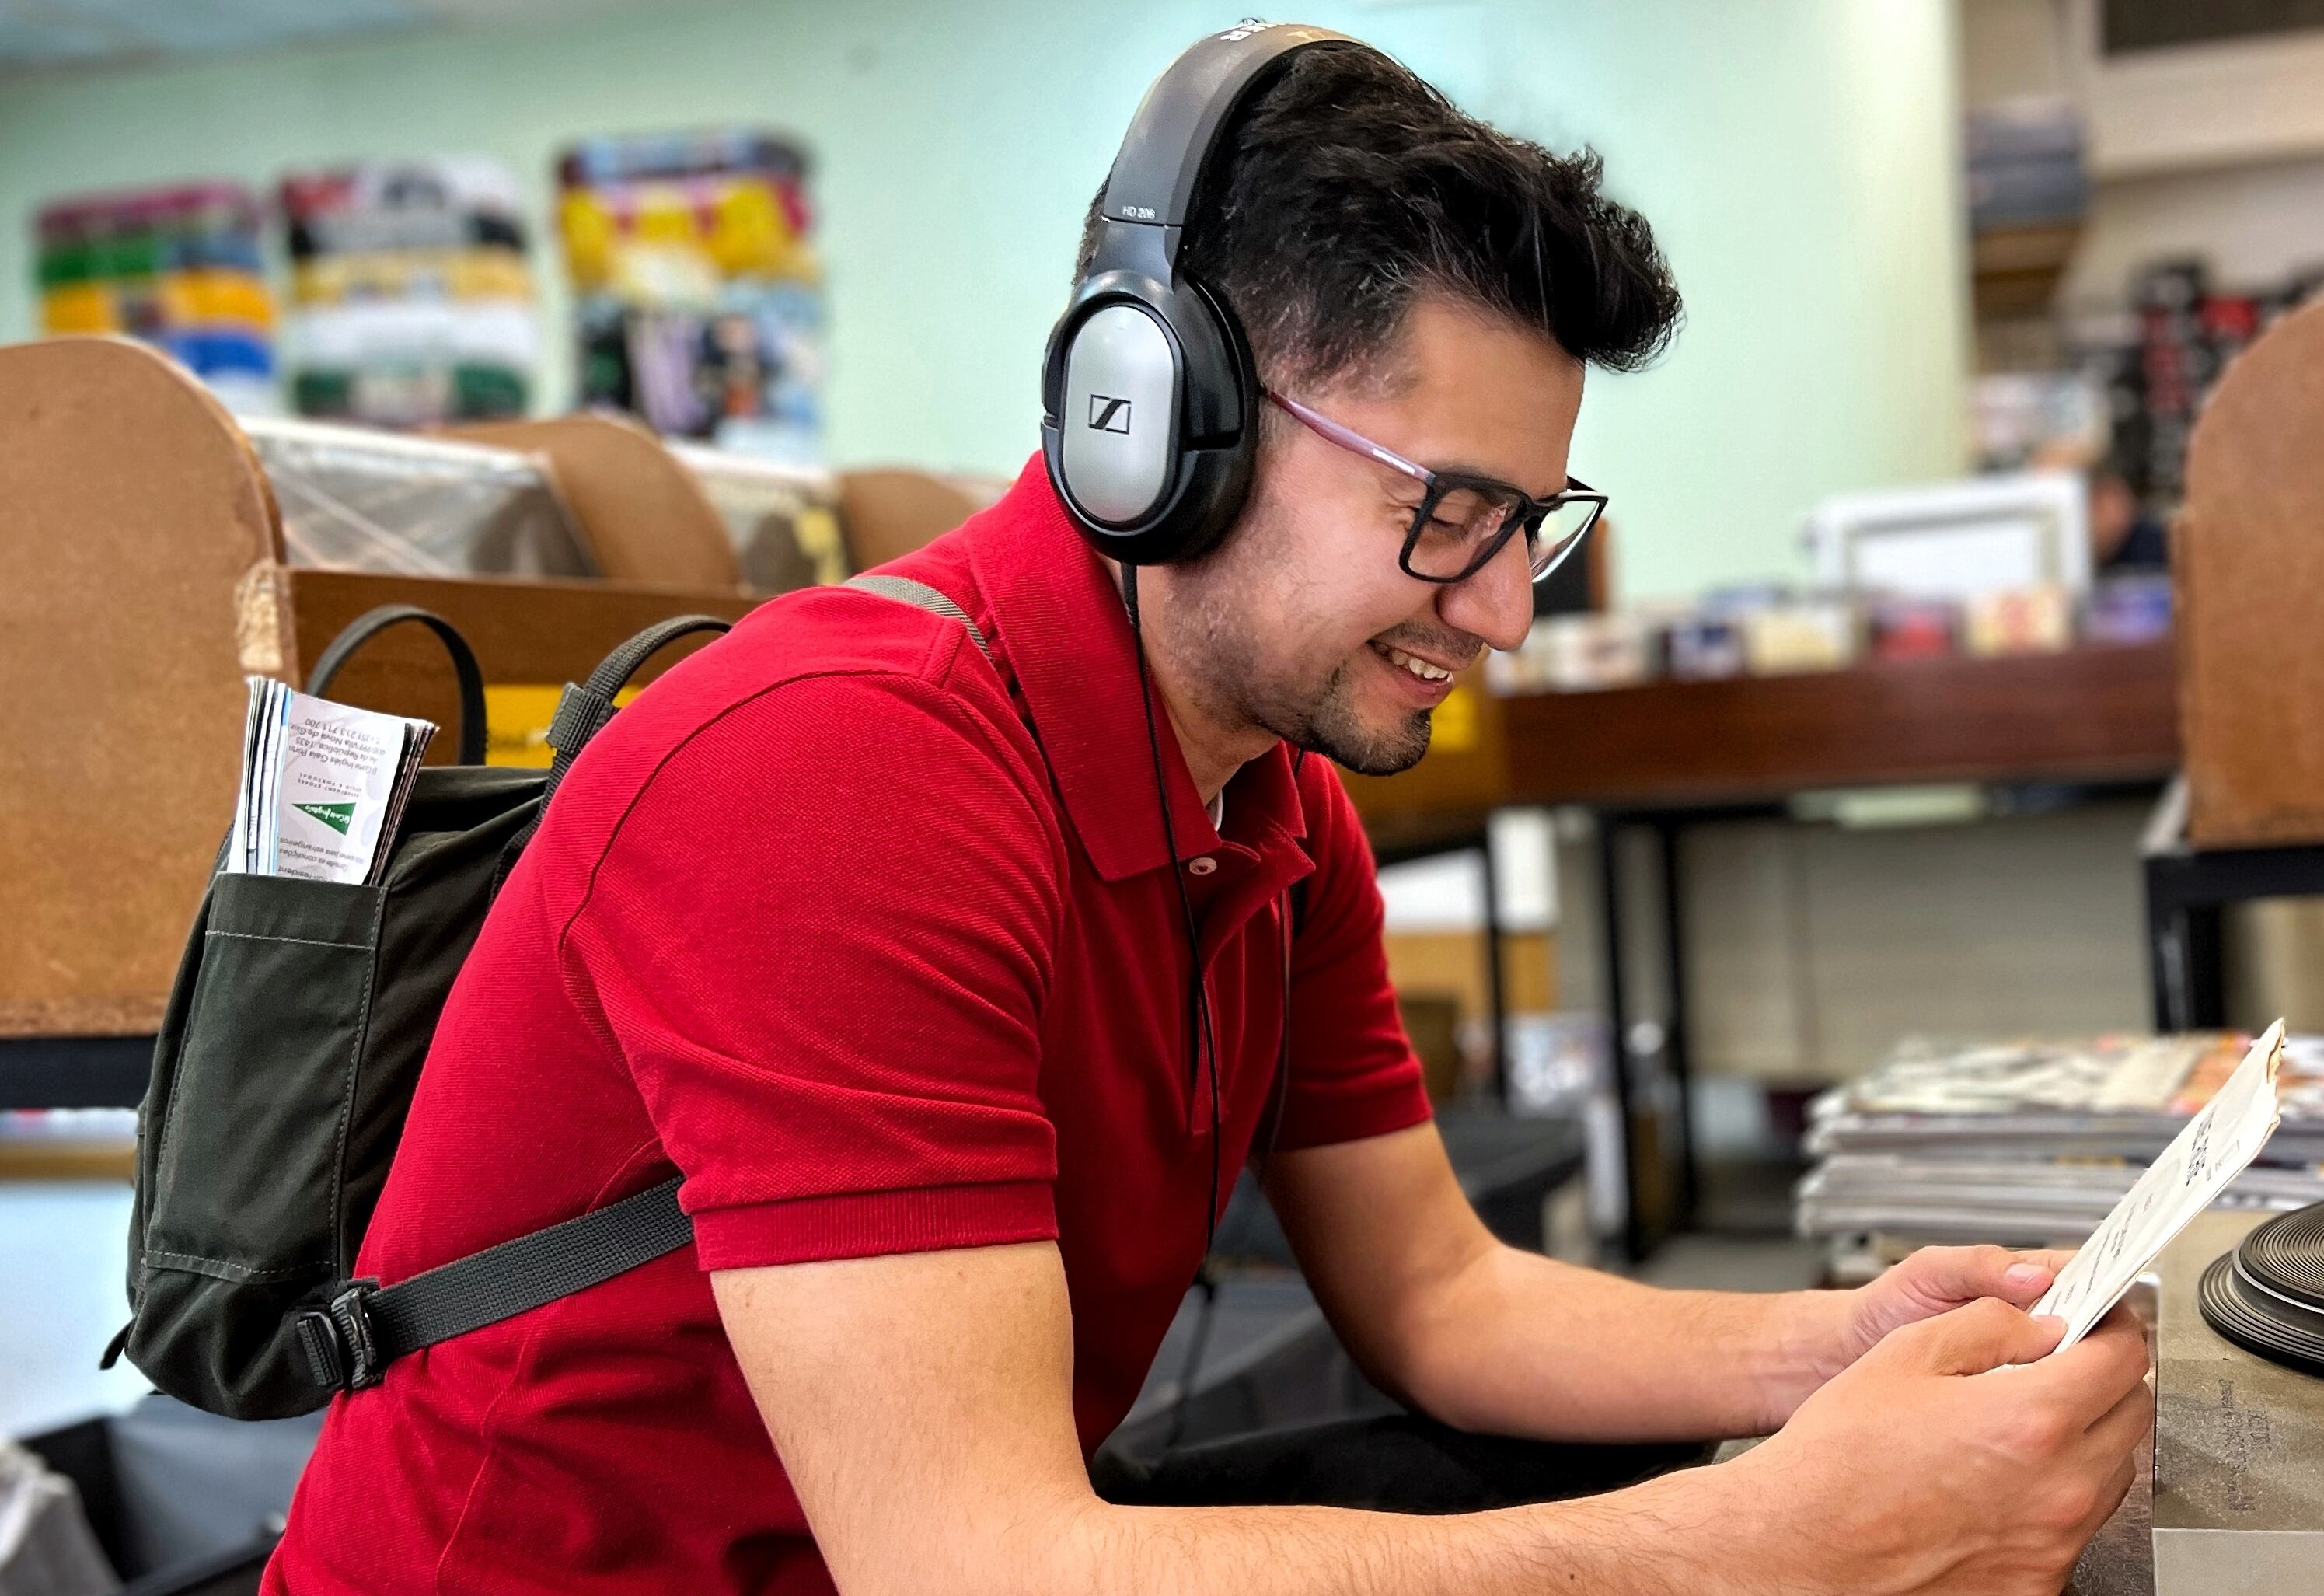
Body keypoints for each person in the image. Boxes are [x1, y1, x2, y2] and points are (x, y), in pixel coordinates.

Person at [267, 28, 2148, 1596]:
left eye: (1532, 527)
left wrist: (1838, 1344)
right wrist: (1760, 1537)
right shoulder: (832, 773)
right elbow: (976, 1563)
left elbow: (1435, 1293)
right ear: (1155, 422)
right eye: (1448, 514)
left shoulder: (1270, 797)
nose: (1501, 607)